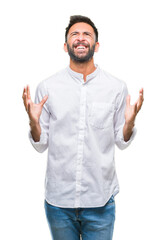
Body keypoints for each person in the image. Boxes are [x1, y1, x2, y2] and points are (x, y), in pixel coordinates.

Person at [22, 15, 144, 240]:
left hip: (100, 200)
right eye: (74, 34)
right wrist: (33, 122)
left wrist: (129, 123)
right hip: (59, 202)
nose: (80, 38)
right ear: (65, 45)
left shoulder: (116, 87)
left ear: (96, 45)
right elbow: (41, 145)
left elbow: (121, 141)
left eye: (87, 34)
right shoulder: (48, 87)